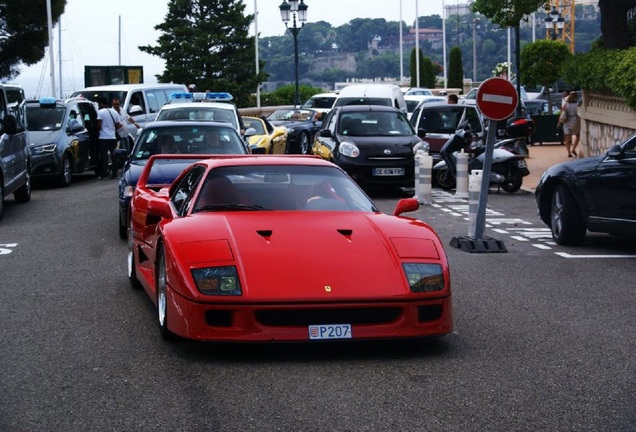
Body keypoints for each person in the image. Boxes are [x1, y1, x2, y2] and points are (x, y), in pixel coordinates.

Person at [96, 97, 121, 179]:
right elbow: (117, 125)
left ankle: (104, 174)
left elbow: (99, 125)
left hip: (103, 137)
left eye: (99, 104)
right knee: (114, 156)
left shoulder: (100, 112)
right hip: (113, 137)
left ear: (102, 104)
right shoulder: (114, 112)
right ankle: (114, 173)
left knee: (104, 156)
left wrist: (97, 130)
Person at [561, 91, 580, 157]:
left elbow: (562, 113)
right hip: (575, 120)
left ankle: (568, 152)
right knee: (577, 136)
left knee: (567, 138)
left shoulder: (565, 104)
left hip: (567, 121)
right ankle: (573, 149)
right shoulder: (577, 104)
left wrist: (559, 122)